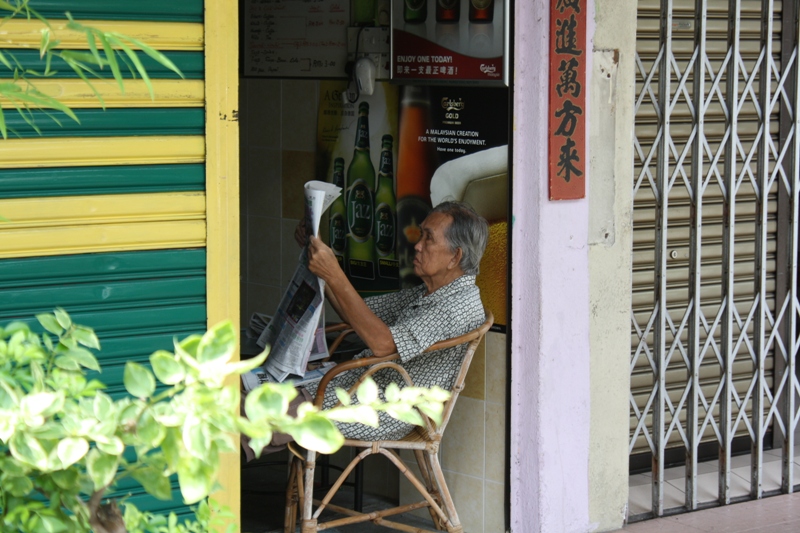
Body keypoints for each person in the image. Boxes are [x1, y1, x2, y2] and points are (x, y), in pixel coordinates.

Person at [242, 201, 488, 459]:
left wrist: (333, 273)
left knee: (241, 417)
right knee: (237, 390)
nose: (417, 245)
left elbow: (383, 345)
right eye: (421, 235)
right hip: (352, 384)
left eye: (428, 239)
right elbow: (357, 313)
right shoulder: (433, 291)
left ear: (455, 257)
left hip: (382, 409)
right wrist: (319, 263)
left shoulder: (454, 307)